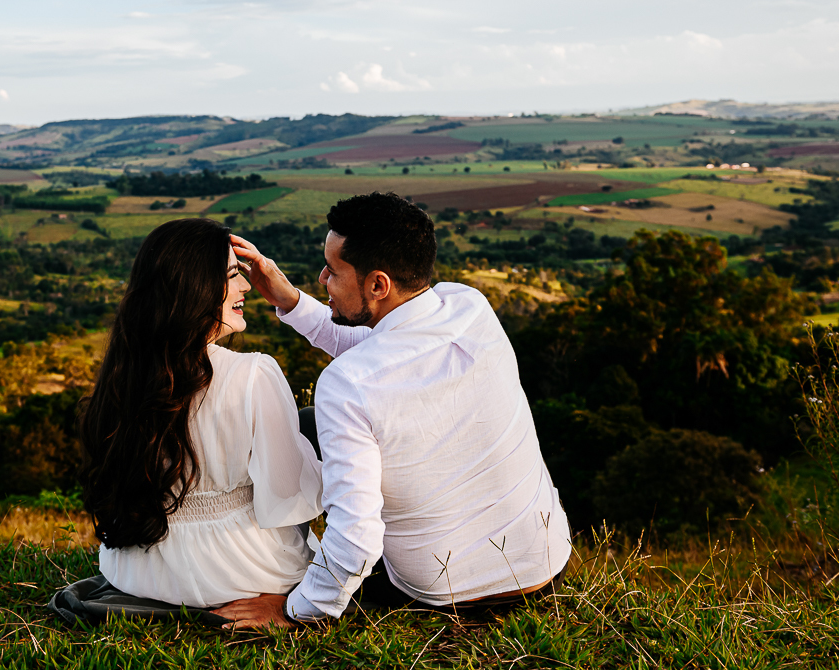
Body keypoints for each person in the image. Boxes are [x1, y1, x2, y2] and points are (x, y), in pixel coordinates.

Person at [216, 192, 572, 628]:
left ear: (378, 285)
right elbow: (381, 349)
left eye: (334, 271)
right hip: (546, 566)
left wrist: (295, 610)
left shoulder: (346, 386)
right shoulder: (469, 306)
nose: (322, 277)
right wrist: (292, 301)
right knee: (311, 423)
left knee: (298, 430)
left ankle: (271, 559)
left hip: (444, 593)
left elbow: (357, 539)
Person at [74, 218, 323, 610]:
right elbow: (290, 500)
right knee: (312, 424)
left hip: (140, 570)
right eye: (231, 276)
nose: (245, 287)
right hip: (240, 570)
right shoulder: (254, 373)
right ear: (195, 289)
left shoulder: (126, 372)